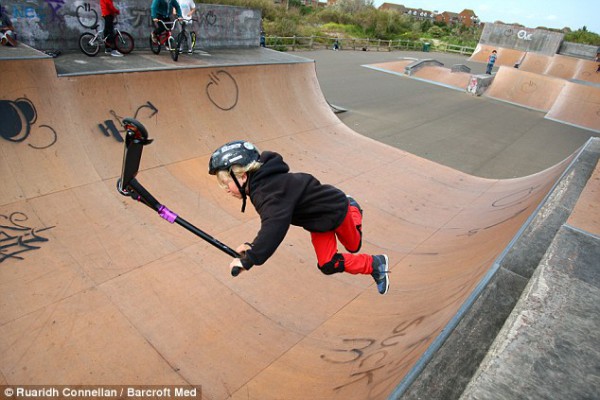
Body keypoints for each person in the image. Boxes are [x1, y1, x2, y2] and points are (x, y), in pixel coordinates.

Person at [208, 141, 391, 295]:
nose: (225, 189)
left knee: (354, 245)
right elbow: (273, 220)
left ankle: (352, 208)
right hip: (317, 222)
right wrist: (252, 247)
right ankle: (375, 264)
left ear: (242, 176)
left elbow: (274, 227)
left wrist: (250, 258)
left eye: (226, 182)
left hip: (334, 209)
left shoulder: (268, 192)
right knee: (328, 264)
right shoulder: (263, 185)